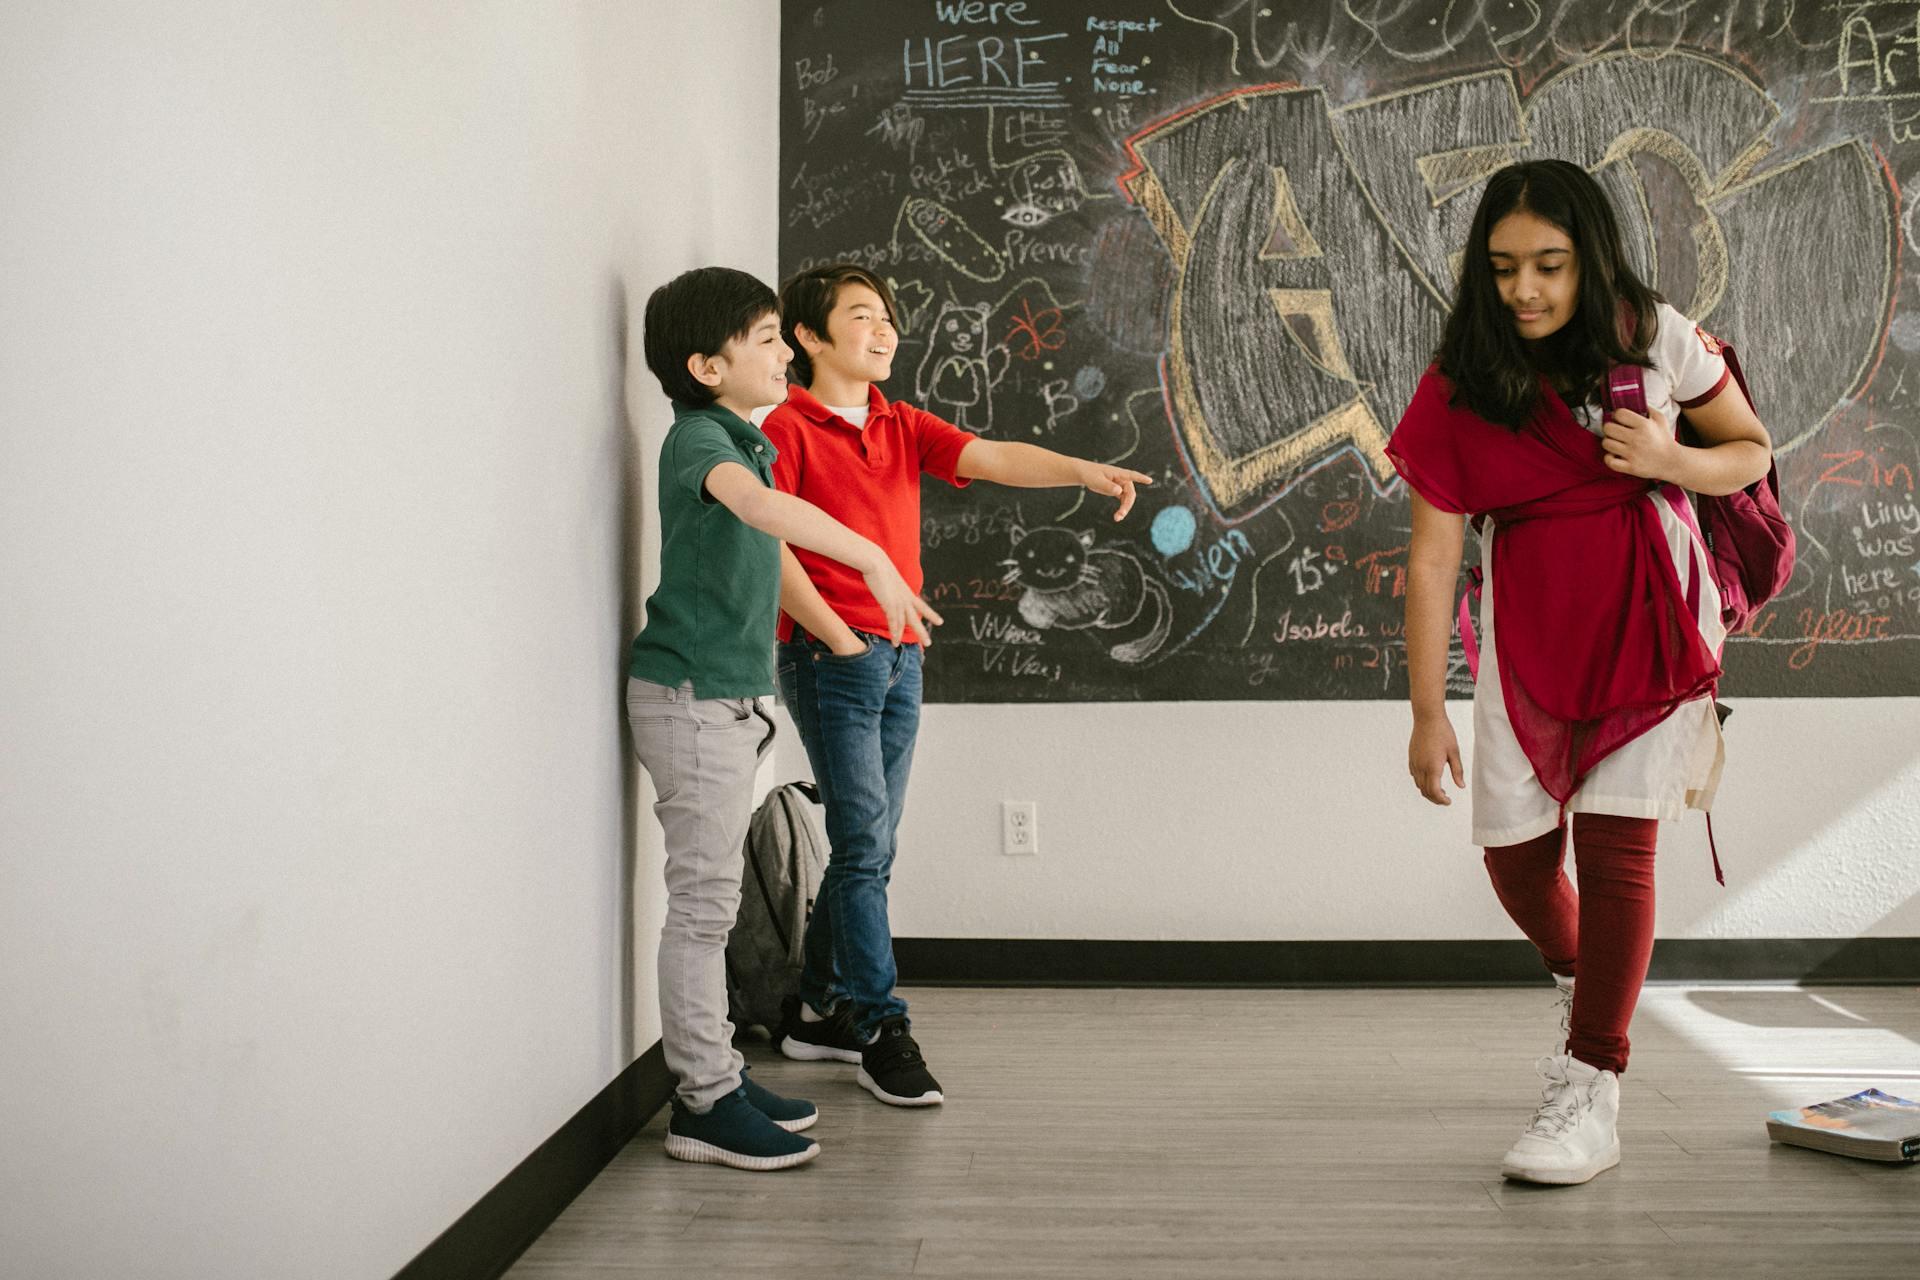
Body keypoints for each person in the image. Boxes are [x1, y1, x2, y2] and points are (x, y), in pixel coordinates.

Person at [1388, 160, 1773, 1185]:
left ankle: (1591, 1081)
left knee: (1617, 853)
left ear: (1588, 257)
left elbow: (1748, 448)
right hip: (1530, 632)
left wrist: (1671, 460)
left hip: (1654, 618)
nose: (1526, 290)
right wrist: (1428, 710)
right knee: (1516, 859)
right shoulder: (1463, 375)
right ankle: (1585, 976)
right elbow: (1434, 555)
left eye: (1550, 266)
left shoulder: (1653, 333)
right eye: (1506, 267)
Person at [762, 263, 1152, 1106]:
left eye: (887, 317)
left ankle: (814, 1013)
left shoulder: (899, 423)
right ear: (808, 337)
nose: (884, 330)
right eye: (862, 316)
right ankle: (878, 1024)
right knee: (866, 846)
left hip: (901, 656)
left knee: (870, 845)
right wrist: (837, 635)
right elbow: (767, 548)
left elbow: (996, 456)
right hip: (832, 657)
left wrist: (1081, 469)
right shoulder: (783, 430)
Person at [627, 266, 940, 1170]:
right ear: (706, 365)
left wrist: (849, 620)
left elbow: (768, 539)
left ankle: (719, 1072)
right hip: (690, 702)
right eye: (764, 338)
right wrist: (875, 564)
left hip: (726, 702)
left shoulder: (742, 436)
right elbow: (764, 512)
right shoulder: (699, 441)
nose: (780, 352)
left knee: (714, 905)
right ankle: (703, 1102)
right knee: (702, 909)